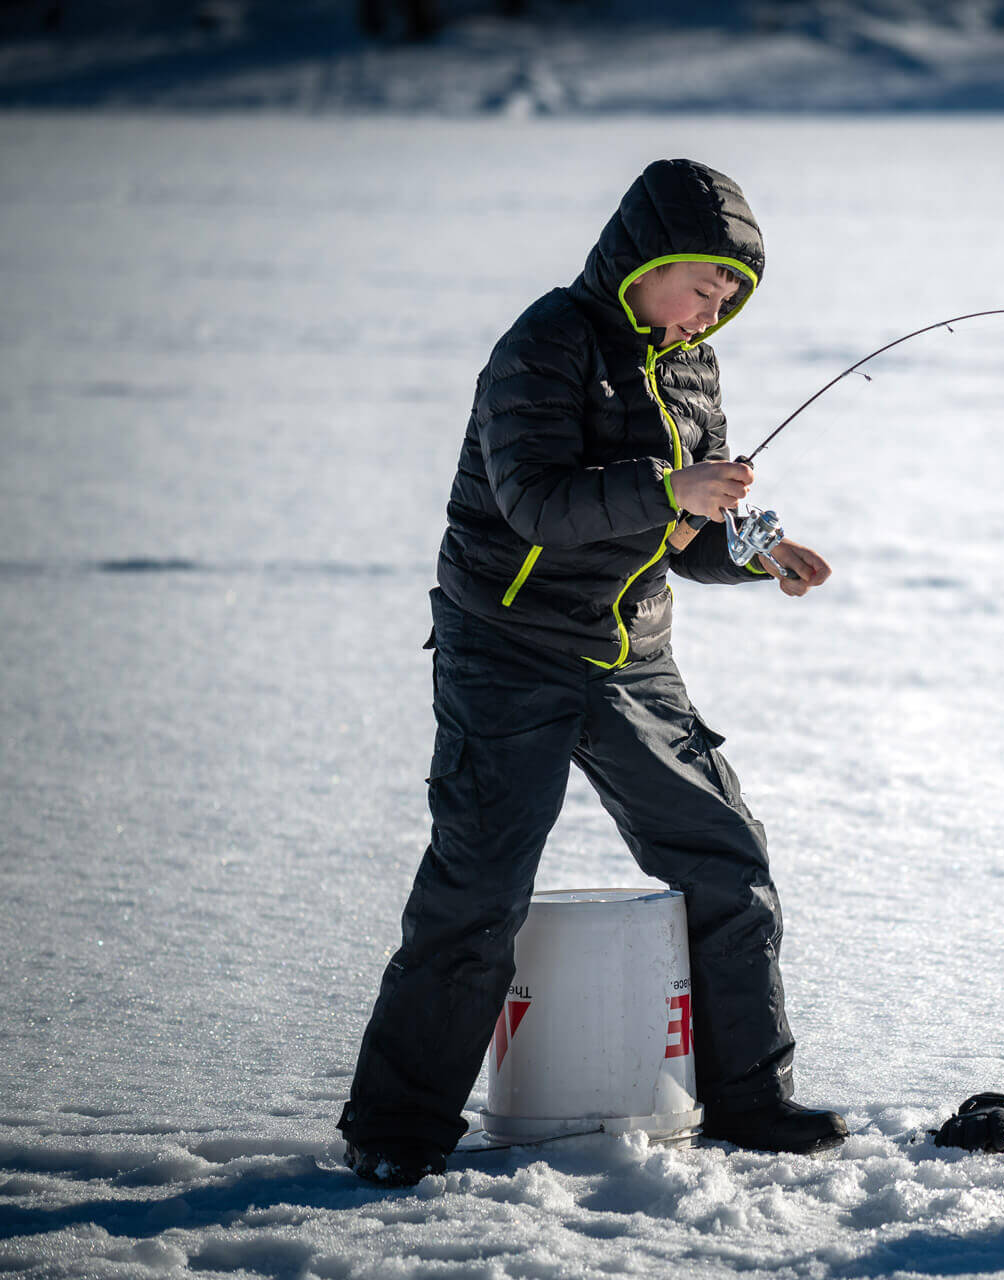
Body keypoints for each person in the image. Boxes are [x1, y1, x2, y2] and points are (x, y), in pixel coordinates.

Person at [337, 158, 846, 1187]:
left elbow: (687, 533)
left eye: (730, 299)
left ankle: (749, 1097)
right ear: (645, 259)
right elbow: (537, 502)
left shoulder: (692, 370)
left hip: (631, 652)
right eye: (704, 284)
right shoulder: (546, 343)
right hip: (507, 646)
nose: (713, 310)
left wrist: (753, 548)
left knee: (725, 854)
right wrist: (673, 484)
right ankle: (396, 1125)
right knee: (480, 884)